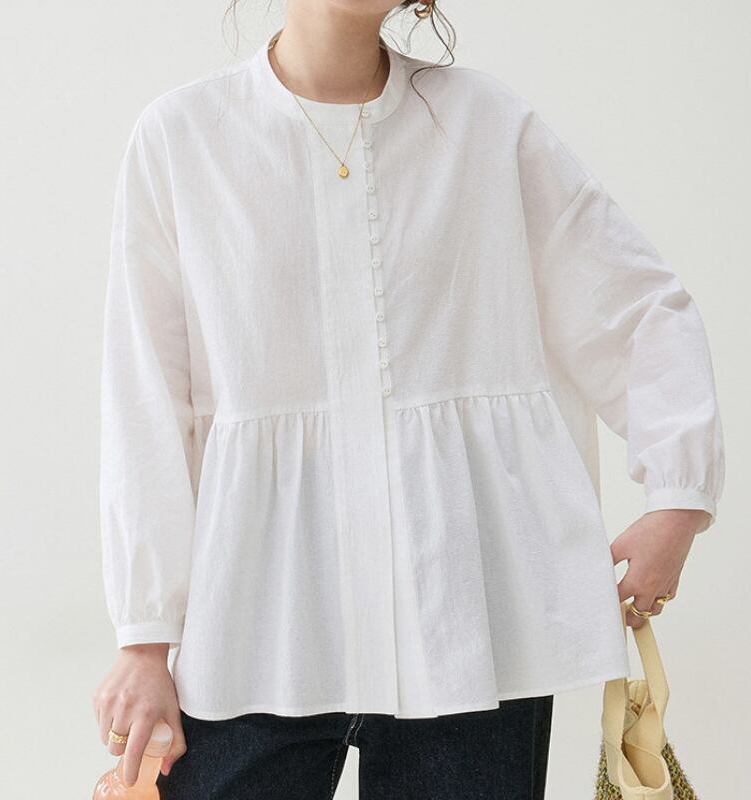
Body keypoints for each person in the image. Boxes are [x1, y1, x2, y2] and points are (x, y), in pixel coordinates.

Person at [91, 2, 725, 797]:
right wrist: (144, 638)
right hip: (260, 631)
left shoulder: (485, 125)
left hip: (472, 627)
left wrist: (679, 496)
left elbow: (635, 305)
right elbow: (145, 396)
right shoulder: (183, 137)